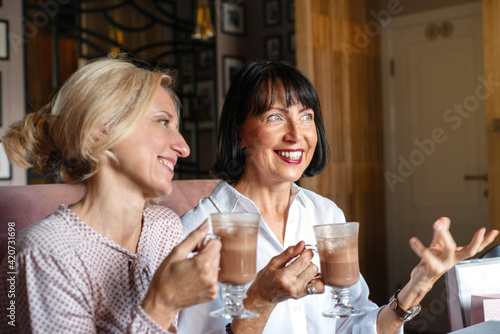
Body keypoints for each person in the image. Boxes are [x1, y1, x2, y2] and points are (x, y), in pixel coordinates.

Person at [178, 60, 499, 334]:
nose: (296, 134)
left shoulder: (326, 214)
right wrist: (259, 301)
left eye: (306, 116)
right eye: (274, 117)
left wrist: (418, 287)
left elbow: (351, 324)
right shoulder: (195, 232)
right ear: (239, 133)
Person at [0, 57, 221, 333]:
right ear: (101, 130)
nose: (184, 147)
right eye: (163, 122)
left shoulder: (165, 228)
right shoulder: (46, 251)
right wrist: (161, 304)